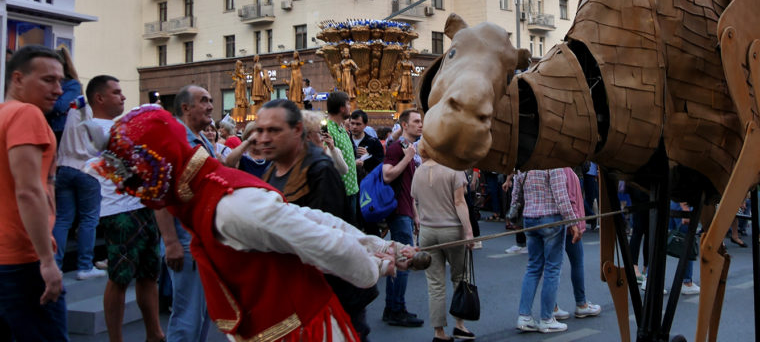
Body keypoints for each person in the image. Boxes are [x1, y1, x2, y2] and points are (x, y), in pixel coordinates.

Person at [92, 103, 417, 342]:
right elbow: (305, 221)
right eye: (258, 130)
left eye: (135, 173)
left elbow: (319, 234)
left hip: (300, 330)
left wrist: (373, 262)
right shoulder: (206, 194)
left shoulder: (228, 203)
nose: (131, 185)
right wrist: (378, 249)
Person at [257, 99, 377, 341]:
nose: (264, 138)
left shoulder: (319, 169)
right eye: (260, 130)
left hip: (331, 291)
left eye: (274, 130)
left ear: (298, 132)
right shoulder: (273, 169)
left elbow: (331, 233)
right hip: (298, 290)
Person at [73, 75, 165, 342]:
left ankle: (154, 333)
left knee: (149, 275)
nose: (123, 97)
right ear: (99, 98)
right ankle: (116, 339)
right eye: (116, 92)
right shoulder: (94, 128)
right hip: (119, 213)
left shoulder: (118, 126)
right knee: (120, 277)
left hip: (142, 206)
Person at [0, 46, 68, 341]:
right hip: (23, 261)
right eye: (48, 80)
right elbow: (28, 191)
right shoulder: (26, 114)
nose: (58, 89)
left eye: (60, 81)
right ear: (18, 78)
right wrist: (46, 260)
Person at [155, 84, 216, 342]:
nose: (211, 105)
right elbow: (160, 194)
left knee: (203, 315)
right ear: (185, 108)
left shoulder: (203, 140)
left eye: (211, 100)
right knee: (187, 316)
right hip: (185, 241)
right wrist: (171, 242)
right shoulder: (173, 141)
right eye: (204, 100)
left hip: (204, 239)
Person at [410, 144, 476, 342]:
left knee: (435, 283)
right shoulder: (453, 169)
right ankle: (460, 324)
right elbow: (459, 202)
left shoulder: (418, 171)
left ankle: (439, 332)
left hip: (428, 231)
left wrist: (418, 220)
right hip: (451, 229)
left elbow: (414, 199)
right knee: (460, 277)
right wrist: (469, 231)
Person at [52, 66, 105, 280]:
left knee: (63, 219)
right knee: (89, 219)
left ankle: (55, 265)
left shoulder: (70, 111)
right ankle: (84, 266)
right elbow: (98, 144)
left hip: (63, 167)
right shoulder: (90, 113)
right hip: (86, 170)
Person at [512, 168, 580, 333]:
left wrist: (514, 214)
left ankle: (524, 316)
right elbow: (561, 195)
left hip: (529, 217)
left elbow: (515, 194)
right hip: (551, 217)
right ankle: (547, 318)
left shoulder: (524, 162)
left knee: (533, 267)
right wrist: (572, 222)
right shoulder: (552, 162)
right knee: (552, 268)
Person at [381, 109, 425, 327]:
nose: (421, 125)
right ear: (404, 126)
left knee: (399, 259)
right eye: (416, 121)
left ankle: (393, 307)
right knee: (405, 260)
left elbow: (409, 187)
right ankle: (397, 308)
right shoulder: (398, 148)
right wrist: (406, 158)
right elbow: (387, 175)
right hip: (398, 212)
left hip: (406, 211)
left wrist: (415, 214)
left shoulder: (408, 148)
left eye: (421, 121)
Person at [552, 167, 601, 321]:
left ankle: (552, 305)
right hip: (569, 225)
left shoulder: (553, 170)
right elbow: (570, 200)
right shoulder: (566, 172)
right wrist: (576, 225)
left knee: (553, 267)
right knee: (575, 263)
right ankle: (581, 303)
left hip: (555, 224)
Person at [326, 92, 360, 223]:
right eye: (348, 104)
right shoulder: (329, 129)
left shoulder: (341, 128)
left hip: (351, 189)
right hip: (340, 192)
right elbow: (329, 159)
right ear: (342, 108)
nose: (350, 107)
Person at [350, 109, 384, 182]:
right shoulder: (346, 140)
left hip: (368, 182)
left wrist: (368, 156)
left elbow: (381, 164)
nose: (354, 127)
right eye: (352, 123)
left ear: (365, 125)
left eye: (358, 124)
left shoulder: (374, 142)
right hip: (349, 182)